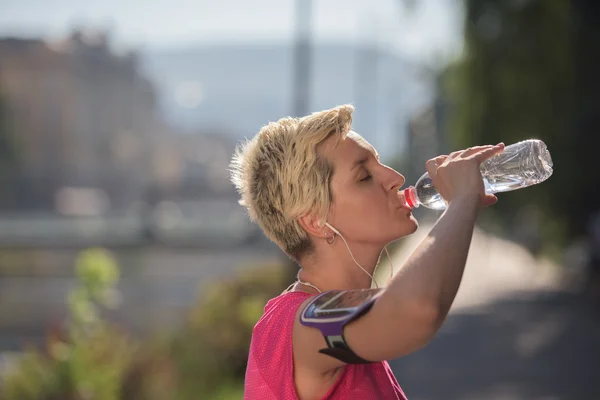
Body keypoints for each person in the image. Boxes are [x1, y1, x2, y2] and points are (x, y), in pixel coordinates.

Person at [229, 104, 504, 399]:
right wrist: (461, 200)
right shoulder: (296, 325)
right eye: (364, 176)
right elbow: (414, 311)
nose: (395, 177)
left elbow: (398, 304)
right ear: (315, 221)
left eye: (380, 163)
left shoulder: (345, 326)